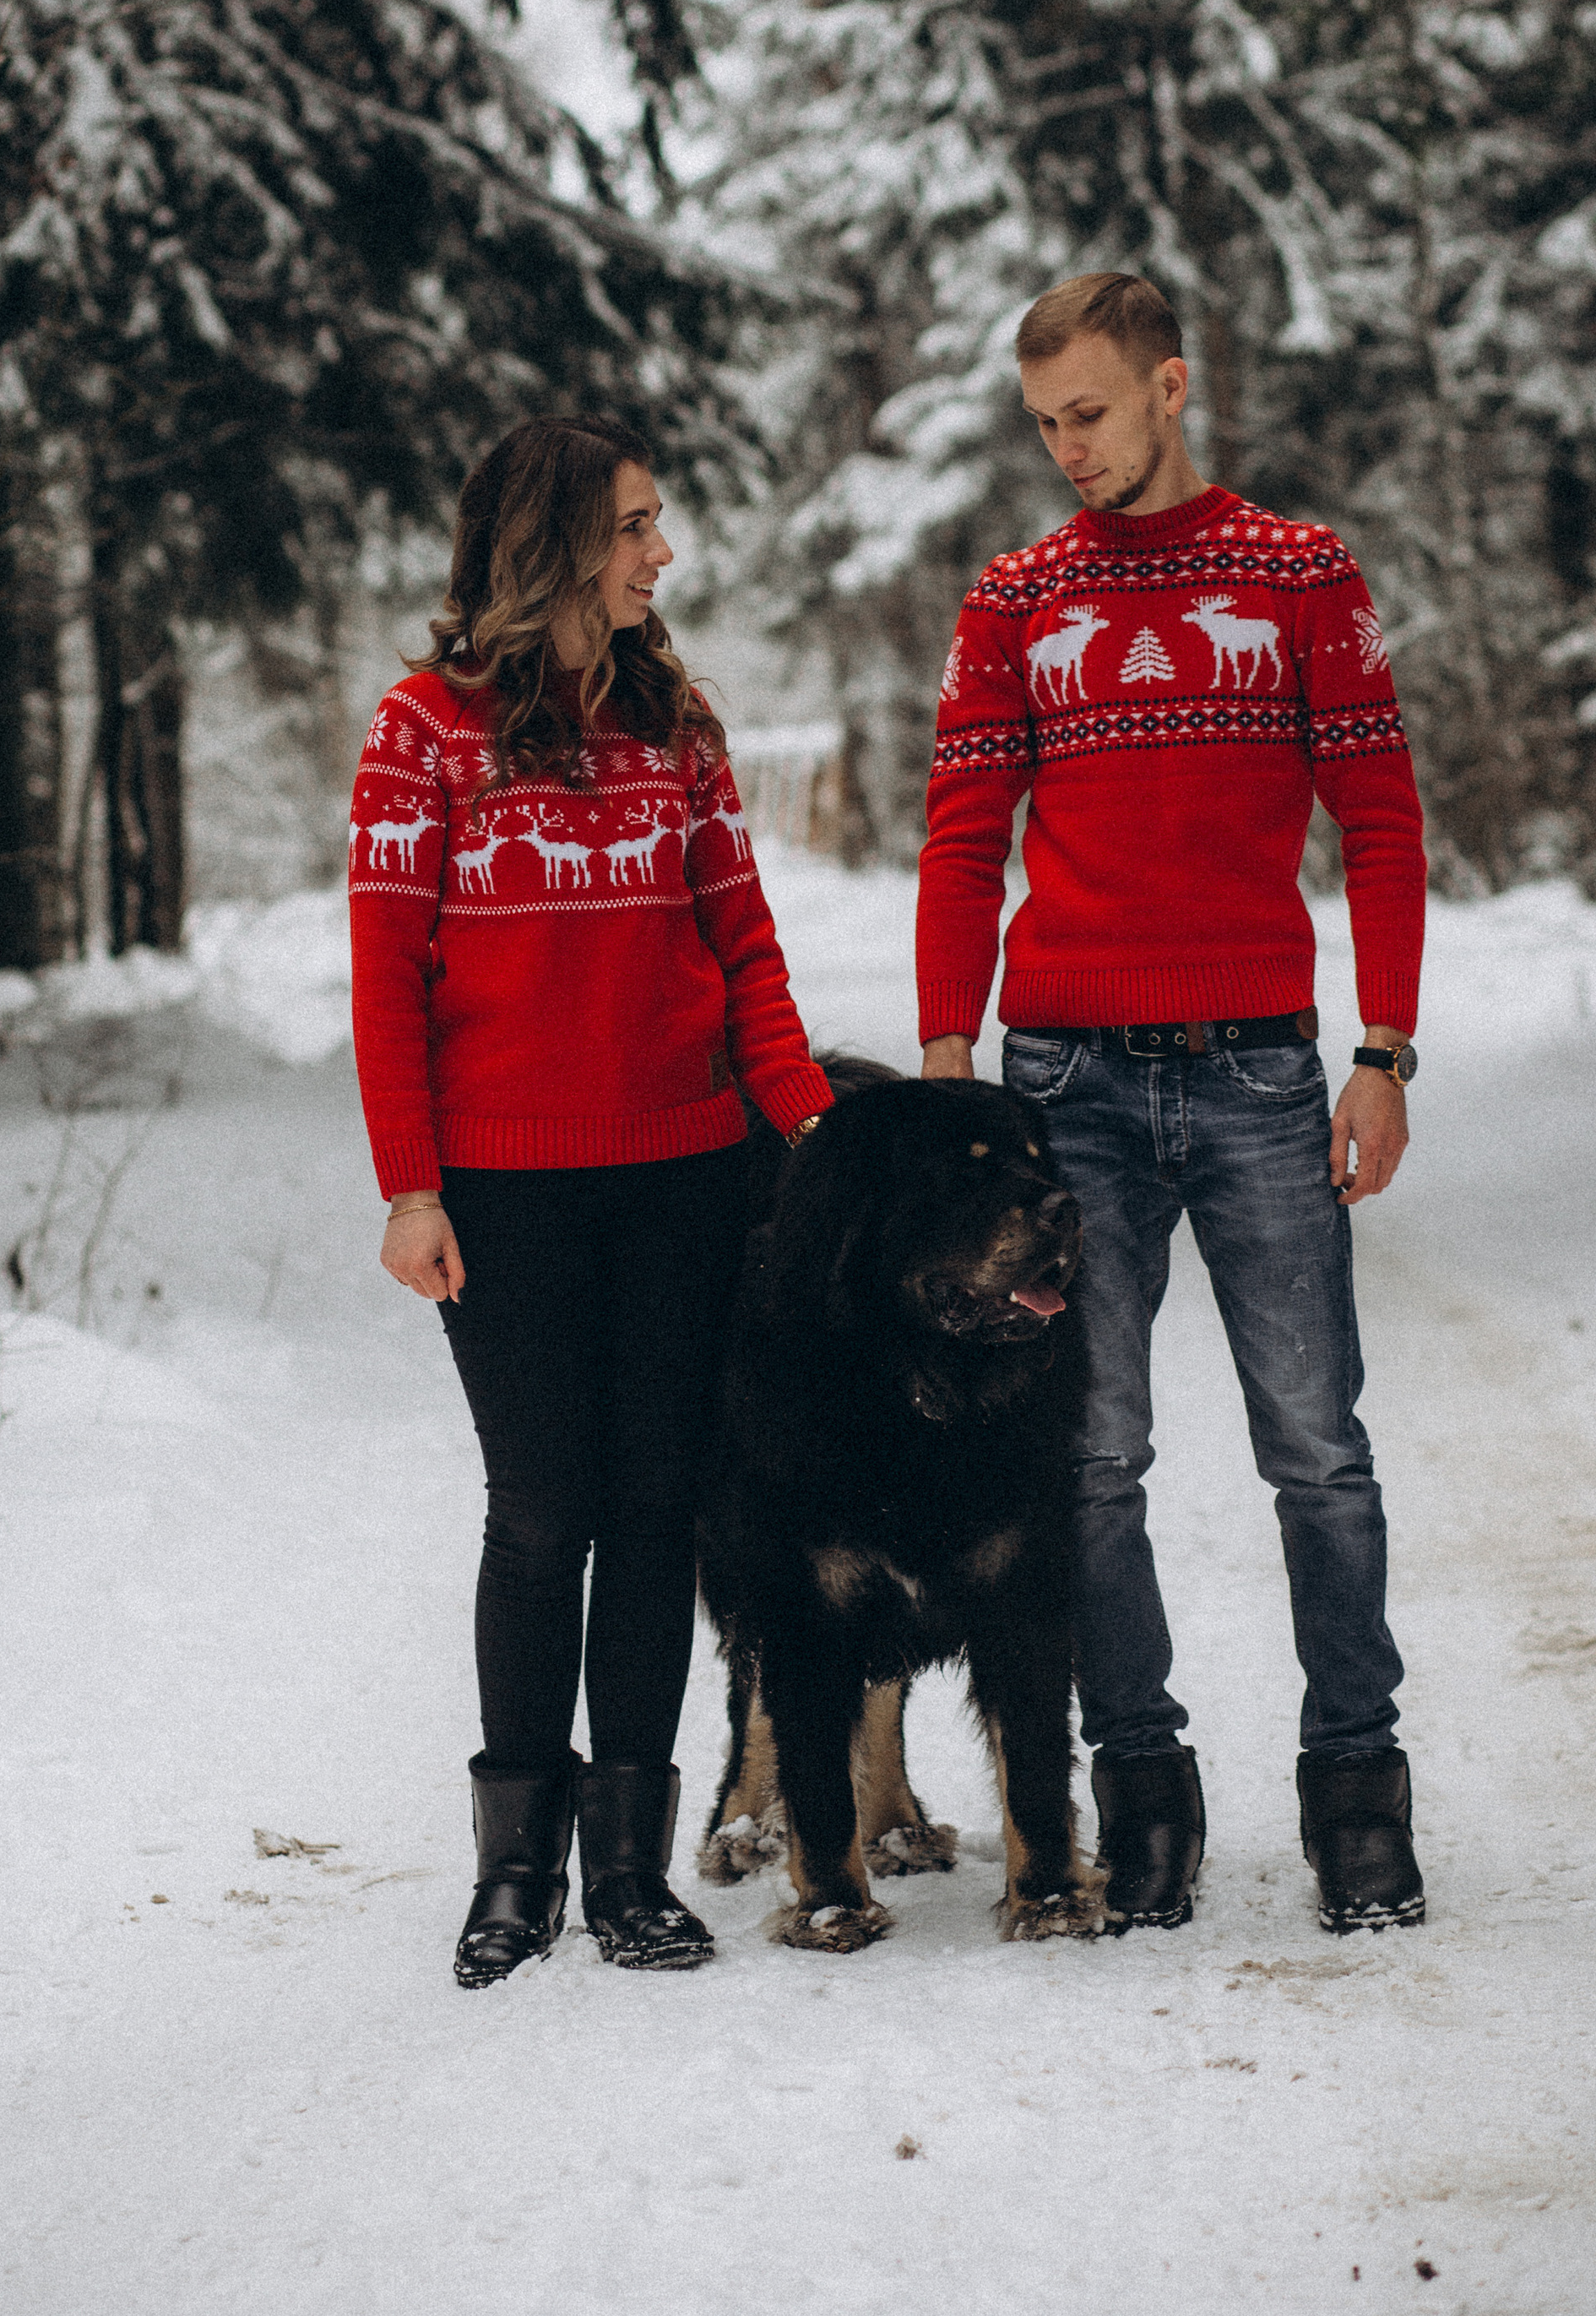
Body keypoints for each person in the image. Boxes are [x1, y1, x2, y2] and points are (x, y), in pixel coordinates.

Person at [915, 273, 1429, 1936]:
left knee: (1314, 1446)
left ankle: (1355, 1782)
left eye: (1089, 411)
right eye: (1041, 420)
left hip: (1265, 1072)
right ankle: (1138, 1778)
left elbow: (1378, 815)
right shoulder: (1014, 599)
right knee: (1089, 1454)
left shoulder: (1294, 575)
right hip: (1064, 1082)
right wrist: (941, 1059)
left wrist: (1382, 1050)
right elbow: (958, 834)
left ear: (1168, 387)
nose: (1064, 447)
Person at [348, 416, 833, 1988]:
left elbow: (746, 954)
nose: (661, 553)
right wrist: (411, 1186)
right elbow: (388, 981)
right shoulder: (419, 732)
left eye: (659, 523)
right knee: (541, 1510)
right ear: (552, 545)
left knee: (649, 1515)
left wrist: (814, 1140)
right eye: (634, 526)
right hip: (507, 1190)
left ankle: (628, 1867)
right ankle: (515, 1875)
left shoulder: (676, 720)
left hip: (686, 1172)